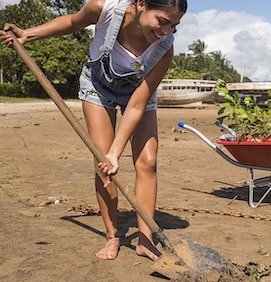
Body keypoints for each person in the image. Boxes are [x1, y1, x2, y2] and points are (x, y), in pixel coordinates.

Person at [0, 0, 187, 261]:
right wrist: (27, 35)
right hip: (98, 88)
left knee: (148, 162)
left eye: (174, 26)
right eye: (162, 21)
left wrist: (116, 152)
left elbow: (136, 105)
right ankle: (113, 236)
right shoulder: (105, 9)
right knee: (103, 165)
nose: (166, 31)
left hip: (137, 95)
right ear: (142, 4)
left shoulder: (165, 48)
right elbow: (73, 22)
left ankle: (145, 240)